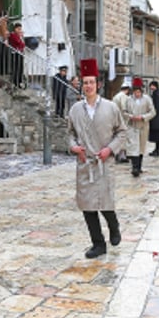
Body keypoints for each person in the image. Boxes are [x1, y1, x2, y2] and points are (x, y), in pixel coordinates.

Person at [67, 58, 127, 258]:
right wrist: (74, 147)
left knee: (105, 202)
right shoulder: (75, 110)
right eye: (85, 82)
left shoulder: (111, 108)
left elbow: (122, 132)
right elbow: (69, 134)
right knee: (87, 205)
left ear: (98, 84)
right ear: (81, 85)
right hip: (85, 164)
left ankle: (114, 225)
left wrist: (110, 149)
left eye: (92, 82)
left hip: (104, 162)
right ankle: (98, 243)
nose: (88, 86)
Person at [122, 79, 156, 177]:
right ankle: (134, 167)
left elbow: (153, 112)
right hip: (132, 126)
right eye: (135, 92)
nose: (137, 94)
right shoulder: (128, 100)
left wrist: (143, 117)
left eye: (138, 92)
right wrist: (130, 116)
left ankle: (139, 166)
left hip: (143, 126)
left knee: (141, 147)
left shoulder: (147, 99)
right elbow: (124, 112)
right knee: (133, 147)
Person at [112, 77, 133, 163]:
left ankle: (117, 154)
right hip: (122, 120)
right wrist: (130, 116)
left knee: (116, 137)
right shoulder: (123, 97)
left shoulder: (116, 96)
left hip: (114, 119)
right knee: (123, 138)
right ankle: (121, 156)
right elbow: (124, 109)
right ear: (127, 90)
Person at [148, 80, 159, 157]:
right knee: (158, 135)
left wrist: (152, 114)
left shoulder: (157, 94)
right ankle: (156, 149)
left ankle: (157, 150)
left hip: (157, 118)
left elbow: (157, 106)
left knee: (157, 135)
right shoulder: (158, 93)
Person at [6, 22, 26, 88]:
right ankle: (15, 81)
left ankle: (20, 81)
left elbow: (23, 45)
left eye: (20, 29)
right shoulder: (13, 35)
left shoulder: (19, 36)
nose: (19, 30)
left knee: (20, 67)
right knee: (16, 67)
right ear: (15, 29)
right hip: (15, 52)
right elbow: (18, 42)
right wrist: (20, 37)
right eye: (18, 29)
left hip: (20, 52)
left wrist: (21, 38)